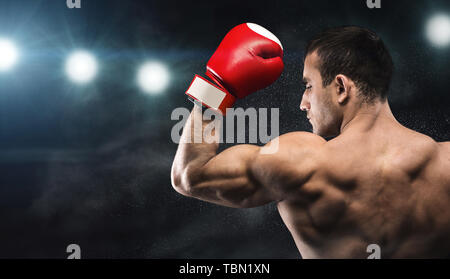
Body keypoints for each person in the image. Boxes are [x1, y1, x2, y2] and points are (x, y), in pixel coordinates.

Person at [171, 25, 450, 258]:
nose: (303, 103)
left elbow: (189, 175)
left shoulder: (302, 161)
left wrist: (217, 86)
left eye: (308, 86)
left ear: (341, 87)